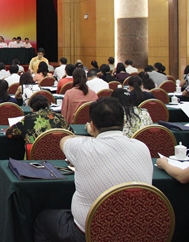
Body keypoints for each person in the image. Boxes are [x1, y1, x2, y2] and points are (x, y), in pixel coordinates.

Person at [33, 98, 153, 241]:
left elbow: (64, 140)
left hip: (88, 234)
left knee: (42, 220)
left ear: (92, 125)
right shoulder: (142, 147)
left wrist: (91, 136)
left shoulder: (82, 148)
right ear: (124, 122)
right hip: (137, 231)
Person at [6, 94, 71, 143]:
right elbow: (70, 133)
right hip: (59, 153)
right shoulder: (60, 117)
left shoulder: (27, 119)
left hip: (35, 154)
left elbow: (9, 133)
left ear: (31, 108)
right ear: (48, 106)